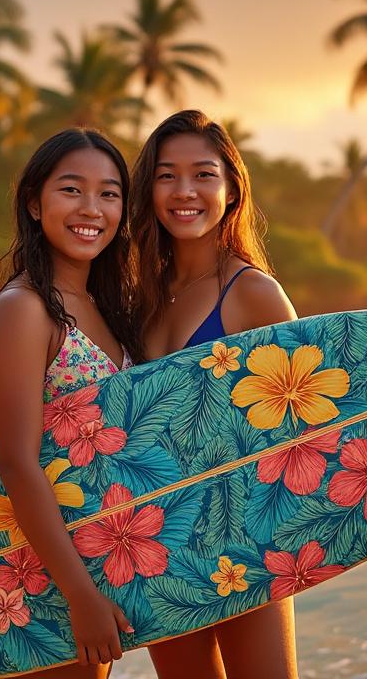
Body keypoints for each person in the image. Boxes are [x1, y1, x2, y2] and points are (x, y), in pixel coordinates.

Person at [130, 110, 301, 679]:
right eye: (166, 175)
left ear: (231, 191)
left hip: (244, 539)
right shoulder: (140, 301)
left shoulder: (252, 293)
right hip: (162, 546)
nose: (185, 192)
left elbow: (307, 425)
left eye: (203, 174)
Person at [0, 128, 141, 677]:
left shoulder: (103, 306)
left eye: (109, 193)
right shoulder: (24, 308)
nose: (91, 208)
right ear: (33, 201)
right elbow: (17, 462)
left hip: (92, 566)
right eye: (71, 190)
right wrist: (79, 595)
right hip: (45, 577)